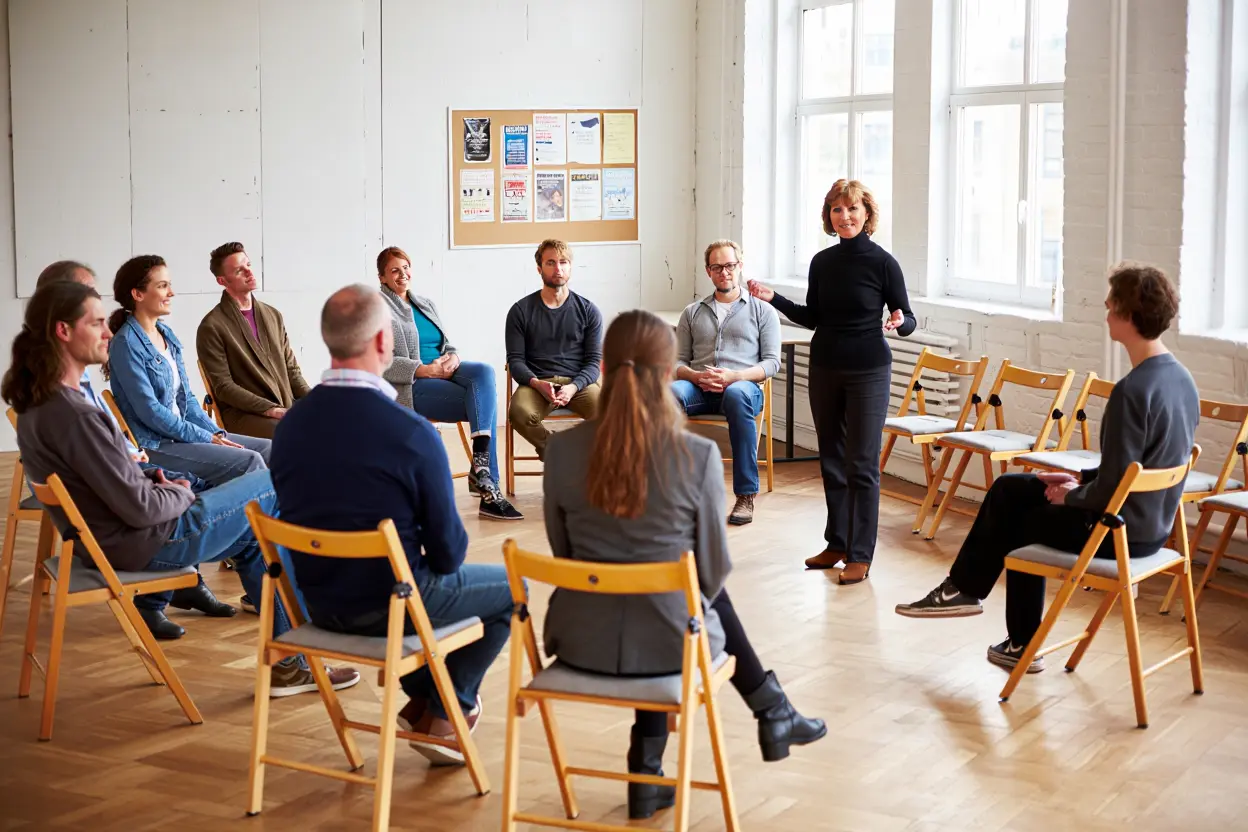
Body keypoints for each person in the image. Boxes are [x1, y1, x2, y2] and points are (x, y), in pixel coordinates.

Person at [2, 279, 359, 696]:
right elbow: (139, 507)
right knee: (276, 482)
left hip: (119, 538)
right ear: (63, 331)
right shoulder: (73, 413)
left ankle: (292, 661)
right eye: (96, 323)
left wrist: (156, 478)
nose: (106, 332)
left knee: (256, 534)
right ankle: (313, 619)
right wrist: (181, 491)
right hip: (150, 540)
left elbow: (116, 482)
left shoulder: (44, 404)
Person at [542, 309, 826, 820]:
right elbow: (712, 578)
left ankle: (647, 773)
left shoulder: (562, 450)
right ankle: (768, 708)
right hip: (671, 643)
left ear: (603, 368)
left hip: (580, 638)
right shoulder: (695, 456)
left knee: (655, 593)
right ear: (669, 368)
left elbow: (565, 555)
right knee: (678, 597)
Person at [896, 263, 1199, 673]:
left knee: (1020, 526)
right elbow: (1135, 469)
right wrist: (1080, 481)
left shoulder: (1132, 391)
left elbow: (1116, 487)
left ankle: (1019, 640)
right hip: (1153, 524)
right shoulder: (1181, 380)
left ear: (1128, 315)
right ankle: (963, 591)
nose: (1106, 310)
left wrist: (1073, 495)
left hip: (1118, 531)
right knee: (1009, 488)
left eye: (1111, 305)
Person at [271, 284, 515, 765]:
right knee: (511, 588)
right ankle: (449, 708)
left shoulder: (292, 426)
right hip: (390, 606)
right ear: (384, 344)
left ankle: (424, 702)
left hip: (316, 605)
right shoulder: (411, 433)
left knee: (405, 591)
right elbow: (448, 555)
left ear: (330, 341)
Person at [35, 259, 232, 638]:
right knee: (226, 485)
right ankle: (169, 594)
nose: (97, 311)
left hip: (136, 465)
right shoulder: (60, 389)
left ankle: (195, 584)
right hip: (141, 472)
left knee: (247, 475)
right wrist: (141, 459)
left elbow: (181, 401)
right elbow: (147, 418)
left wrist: (212, 432)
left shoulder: (79, 373)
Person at [748, 178, 915, 584]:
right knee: (832, 460)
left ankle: (861, 553)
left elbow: (907, 317)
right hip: (824, 365)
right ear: (829, 217)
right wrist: (774, 299)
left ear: (867, 215)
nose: (845, 216)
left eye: (852, 209)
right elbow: (814, 316)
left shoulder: (883, 263)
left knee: (861, 464)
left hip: (869, 370)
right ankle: (837, 542)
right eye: (837, 210)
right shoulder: (822, 262)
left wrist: (898, 321)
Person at [375, 245, 521, 521]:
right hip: (412, 386)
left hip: (443, 373)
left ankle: (481, 470)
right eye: (394, 270)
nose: (402, 274)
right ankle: (487, 483)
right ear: (382, 277)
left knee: (483, 372)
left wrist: (453, 357)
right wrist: (424, 370)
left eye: (406, 268)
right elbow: (379, 363)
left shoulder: (424, 303)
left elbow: (446, 343)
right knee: (484, 407)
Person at [107, 254, 272, 486]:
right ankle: (256, 522)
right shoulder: (125, 344)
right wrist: (205, 437)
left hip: (183, 437)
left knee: (270, 449)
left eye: (169, 285)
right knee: (250, 462)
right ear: (138, 294)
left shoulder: (167, 335)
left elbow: (187, 399)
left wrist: (216, 434)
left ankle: (291, 520)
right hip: (157, 445)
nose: (171, 293)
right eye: (162, 286)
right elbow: (151, 412)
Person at [673, 240, 780, 525]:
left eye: (730, 266)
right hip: (699, 386)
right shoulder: (692, 312)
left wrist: (735, 377)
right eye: (717, 267)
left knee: (736, 395)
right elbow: (677, 363)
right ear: (709, 272)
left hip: (744, 388)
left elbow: (772, 362)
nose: (725, 272)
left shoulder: (763, 312)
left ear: (739, 267)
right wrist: (696, 376)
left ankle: (746, 495)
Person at [196, 242, 311, 439]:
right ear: (222, 281)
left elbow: (292, 371)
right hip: (245, 415)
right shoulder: (212, 326)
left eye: (248, 265)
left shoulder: (273, 315)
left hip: (285, 405)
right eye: (240, 270)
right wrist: (271, 410)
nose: (249, 272)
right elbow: (224, 387)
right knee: (297, 433)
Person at [505, 239, 603, 460]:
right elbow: (516, 361)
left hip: (578, 383)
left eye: (563, 262)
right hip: (537, 383)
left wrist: (574, 387)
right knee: (519, 413)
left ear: (570, 267)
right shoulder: (520, 311)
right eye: (550, 263)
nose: (558, 268)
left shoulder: (588, 311)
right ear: (539, 268)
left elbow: (593, 362)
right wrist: (537, 384)